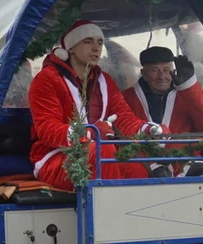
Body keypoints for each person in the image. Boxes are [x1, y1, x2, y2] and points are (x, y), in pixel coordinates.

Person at [28, 20, 164, 190]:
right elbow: (48, 130)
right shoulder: (46, 80)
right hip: (55, 158)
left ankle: (138, 213)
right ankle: (110, 212)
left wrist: (148, 130)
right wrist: (90, 132)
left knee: (135, 160)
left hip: (98, 151)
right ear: (71, 47)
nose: (96, 48)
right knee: (103, 151)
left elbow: (124, 118)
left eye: (100, 42)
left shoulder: (104, 80)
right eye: (87, 41)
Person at [122, 46, 203, 133]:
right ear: (144, 73)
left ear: (173, 71)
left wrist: (189, 86)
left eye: (166, 70)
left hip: (183, 154)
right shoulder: (127, 98)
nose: (161, 76)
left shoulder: (188, 94)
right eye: (155, 70)